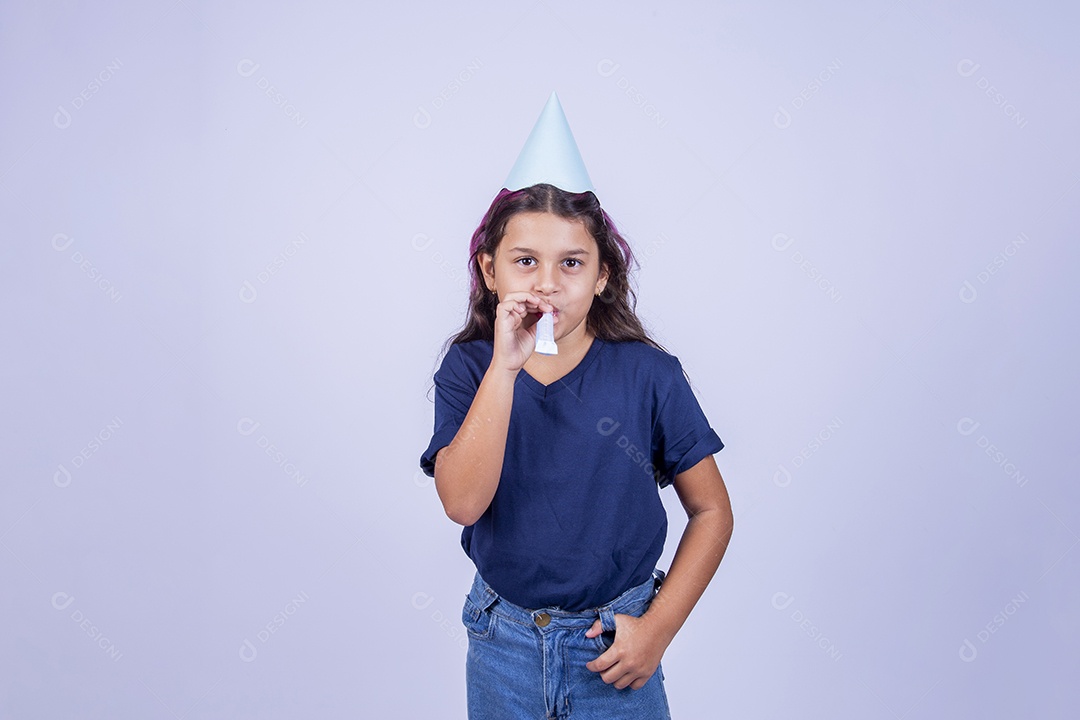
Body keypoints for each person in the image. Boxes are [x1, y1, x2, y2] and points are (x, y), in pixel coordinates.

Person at [419, 93, 733, 720]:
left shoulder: (648, 374)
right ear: (490, 270)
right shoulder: (471, 368)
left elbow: (711, 510)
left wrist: (658, 629)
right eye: (525, 261)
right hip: (502, 642)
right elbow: (462, 503)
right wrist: (505, 367)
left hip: (614, 644)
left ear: (602, 276)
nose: (546, 283)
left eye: (571, 263)